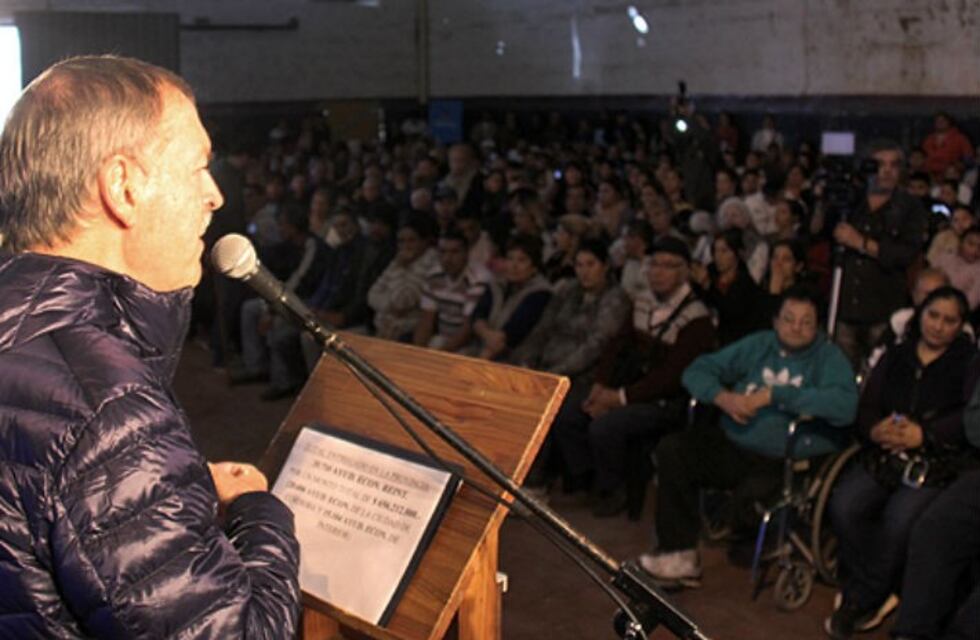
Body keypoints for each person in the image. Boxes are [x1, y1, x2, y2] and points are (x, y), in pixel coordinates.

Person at [0, 55, 300, 637]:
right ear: (123, 187)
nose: (215, 196)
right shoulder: (106, 410)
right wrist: (257, 512)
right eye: (198, 168)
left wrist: (163, 497)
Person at [639, 286, 857, 587]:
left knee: (748, 503)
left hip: (787, 459)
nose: (796, 327)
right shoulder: (759, 345)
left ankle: (749, 537)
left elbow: (845, 407)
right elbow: (697, 370)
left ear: (817, 327)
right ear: (776, 321)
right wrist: (723, 397)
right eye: (789, 319)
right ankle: (679, 553)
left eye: (806, 322)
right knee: (674, 449)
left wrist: (776, 395)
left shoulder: (828, 358)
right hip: (736, 443)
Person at [826, 287, 979, 639]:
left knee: (901, 519)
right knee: (845, 505)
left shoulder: (969, 362)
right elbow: (867, 405)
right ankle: (875, 581)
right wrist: (875, 428)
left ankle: (865, 597)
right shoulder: (897, 354)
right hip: (885, 452)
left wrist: (925, 434)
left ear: (960, 326)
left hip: (937, 461)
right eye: (933, 315)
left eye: (949, 320)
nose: (938, 326)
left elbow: (968, 418)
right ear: (919, 314)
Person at [552, 236, 716, 517]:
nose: (658, 272)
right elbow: (615, 346)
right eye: (654, 264)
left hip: (666, 400)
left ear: (685, 271)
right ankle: (586, 478)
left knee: (605, 426)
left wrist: (619, 398)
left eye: (668, 266)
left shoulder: (696, 318)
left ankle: (613, 489)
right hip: (628, 385)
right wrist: (600, 385)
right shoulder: (643, 302)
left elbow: (671, 377)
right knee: (567, 411)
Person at [833, 140, 929, 370]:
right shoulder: (851, 201)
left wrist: (861, 243)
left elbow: (906, 254)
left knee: (881, 374)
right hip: (845, 304)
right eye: (879, 164)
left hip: (883, 308)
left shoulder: (910, 207)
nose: (886, 171)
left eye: (893, 165)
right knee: (841, 373)